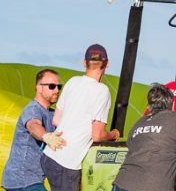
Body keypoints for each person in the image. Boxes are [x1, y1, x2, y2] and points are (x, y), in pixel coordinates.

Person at [42, 44, 120, 191]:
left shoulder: (73, 81)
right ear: (107, 63)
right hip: (67, 163)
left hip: (50, 155)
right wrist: (113, 134)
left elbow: (56, 121)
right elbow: (97, 135)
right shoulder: (102, 91)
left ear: (84, 63)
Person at [112, 84, 176, 191]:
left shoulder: (139, 122)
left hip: (121, 183)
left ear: (149, 107)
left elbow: (131, 145)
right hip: (154, 186)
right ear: (173, 104)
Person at [1, 69, 65, 191]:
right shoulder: (33, 109)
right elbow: (33, 125)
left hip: (33, 179)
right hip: (21, 179)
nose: (57, 90)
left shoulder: (52, 114)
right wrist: (46, 136)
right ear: (39, 88)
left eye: (59, 87)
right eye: (52, 86)